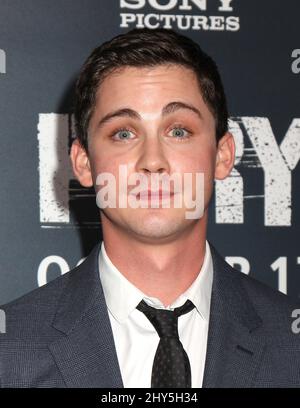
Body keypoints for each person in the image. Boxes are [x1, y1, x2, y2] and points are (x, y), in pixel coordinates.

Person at [1, 28, 300, 388]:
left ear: (223, 156)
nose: (153, 161)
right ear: (82, 162)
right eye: (124, 133)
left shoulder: (291, 344)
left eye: (178, 131)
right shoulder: (9, 350)